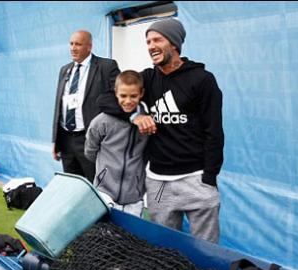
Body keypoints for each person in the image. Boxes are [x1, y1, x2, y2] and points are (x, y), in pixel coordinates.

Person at [103, 18, 224, 243]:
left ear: (174, 44)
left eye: (157, 39)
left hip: (196, 179)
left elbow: (214, 132)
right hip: (158, 183)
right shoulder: (147, 79)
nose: (150, 46)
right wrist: (135, 115)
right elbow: (106, 99)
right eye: (148, 41)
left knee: (208, 251)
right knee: (164, 250)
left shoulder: (202, 80)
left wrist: (209, 177)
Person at [51, 30, 120, 182]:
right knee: (72, 186)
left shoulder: (106, 67)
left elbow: (119, 100)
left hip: (91, 139)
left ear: (89, 47)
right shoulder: (65, 70)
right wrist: (56, 141)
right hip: (67, 140)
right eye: (71, 44)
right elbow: (59, 106)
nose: (73, 48)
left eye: (78, 44)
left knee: (96, 185)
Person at [85, 71, 153, 217]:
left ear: (141, 93)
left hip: (134, 197)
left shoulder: (147, 122)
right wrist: (104, 172)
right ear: (116, 93)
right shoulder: (101, 121)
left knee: (131, 238)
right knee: (104, 237)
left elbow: (147, 154)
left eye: (133, 96)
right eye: (123, 96)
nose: (128, 101)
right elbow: (90, 151)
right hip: (104, 192)